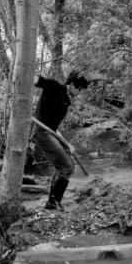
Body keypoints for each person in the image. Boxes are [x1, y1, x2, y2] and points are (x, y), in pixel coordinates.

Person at [32, 71, 89, 210]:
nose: (79, 92)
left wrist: (67, 144)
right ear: (71, 85)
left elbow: (54, 128)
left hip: (50, 132)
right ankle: (53, 202)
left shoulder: (65, 101)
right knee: (67, 166)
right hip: (41, 132)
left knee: (66, 165)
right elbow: (34, 79)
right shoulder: (54, 86)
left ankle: (52, 200)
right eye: (79, 88)